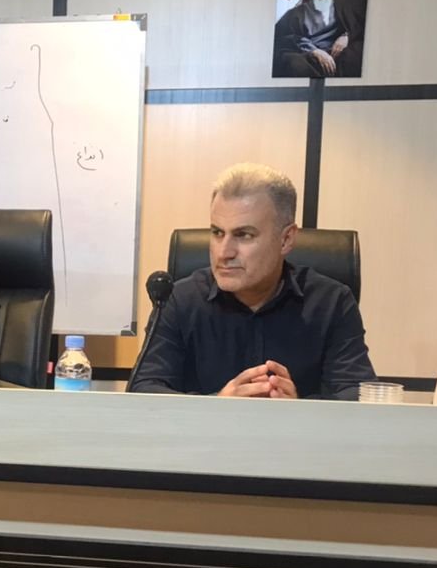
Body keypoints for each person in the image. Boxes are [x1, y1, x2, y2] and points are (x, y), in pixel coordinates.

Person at [128, 162, 374, 399]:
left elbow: (357, 396)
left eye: (244, 235)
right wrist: (217, 405)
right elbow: (144, 390)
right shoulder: (179, 301)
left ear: (286, 239)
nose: (224, 252)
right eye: (217, 233)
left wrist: (299, 410)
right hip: (207, 431)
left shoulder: (331, 302)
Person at [273, 0, 363, 78]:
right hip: (308, 57)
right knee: (294, 63)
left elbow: (359, 29)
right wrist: (315, 51)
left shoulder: (342, 10)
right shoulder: (296, 14)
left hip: (336, 57)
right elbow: (283, 38)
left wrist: (346, 36)